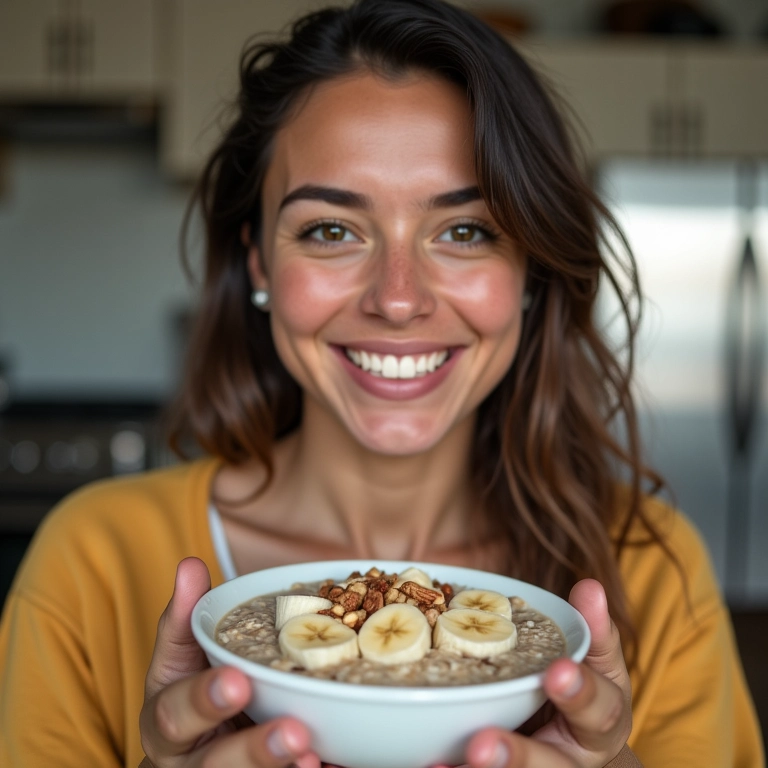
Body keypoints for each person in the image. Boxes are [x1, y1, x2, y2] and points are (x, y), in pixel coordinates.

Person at [0, 0, 763, 766]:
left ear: (530, 269)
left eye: (466, 230)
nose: (398, 299)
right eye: (332, 230)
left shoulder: (652, 572)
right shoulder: (91, 564)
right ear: (261, 262)